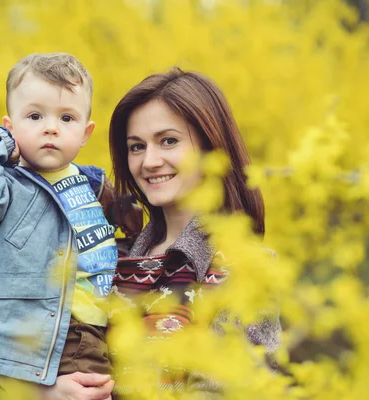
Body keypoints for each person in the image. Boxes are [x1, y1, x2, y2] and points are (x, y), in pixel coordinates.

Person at [45, 68, 281, 399]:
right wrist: (45, 390)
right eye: (136, 146)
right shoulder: (107, 257)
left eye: (168, 141)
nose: (150, 161)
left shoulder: (243, 267)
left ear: (211, 146)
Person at [0, 53, 140, 391]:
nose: (51, 127)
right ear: (11, 126)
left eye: (67, 118)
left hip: (101, 330)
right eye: (34, 116)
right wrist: (1, 143)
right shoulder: (7, 189)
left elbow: (134, 229)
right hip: (55, 333)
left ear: (85, 133)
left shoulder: (95, 185)